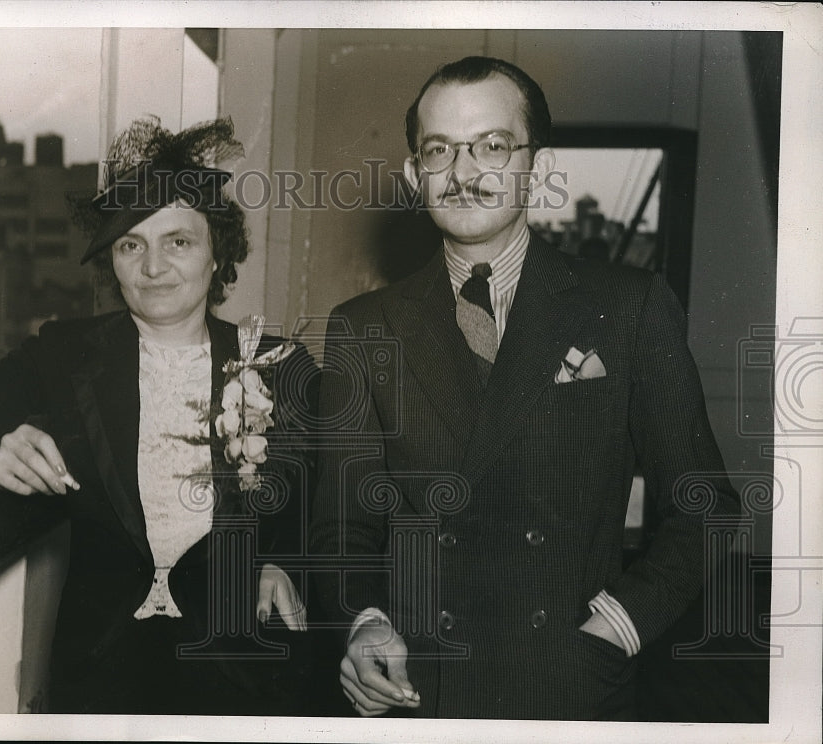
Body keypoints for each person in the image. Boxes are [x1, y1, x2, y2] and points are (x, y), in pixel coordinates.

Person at [309, 56, 739, 720]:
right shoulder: (364, 329)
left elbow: (704, 504)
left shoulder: (627, 307)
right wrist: (365, 621)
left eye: (492, 146)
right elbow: (345, 528)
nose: (464, 172)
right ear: (413, 174)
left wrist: (618, 626)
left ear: (537, 167)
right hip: (419, 686)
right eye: (439, 150)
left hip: (567, 682)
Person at [0, 116, 319, 715]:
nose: (152, 267)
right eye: (130, 244)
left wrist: (282, 561)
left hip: (243, 680)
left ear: (218, 253)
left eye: (178, 242)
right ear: (110, 261)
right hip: (102, 679)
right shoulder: (64, 355)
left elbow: (329, 504)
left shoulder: (282, 366)